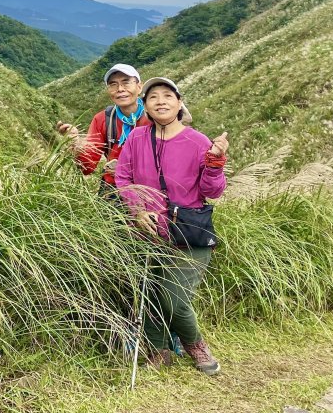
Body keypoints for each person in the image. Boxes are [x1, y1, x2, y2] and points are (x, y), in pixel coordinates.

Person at [115, 76, 228, 375]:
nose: (160, 101)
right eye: (153, 97)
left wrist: (215, 163)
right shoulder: (136, 138)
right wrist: (138, 210)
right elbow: (123, 178)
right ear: (146, 106)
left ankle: (195, 344)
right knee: (150, 293)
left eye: (167, 96)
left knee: (173, 299)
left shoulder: (198, 141)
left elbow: (213, 191)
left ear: (179, 104)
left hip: (189, 232)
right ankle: (159, 349)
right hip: (147, 231)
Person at [56, 63, 150, 193]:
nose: (120, 89)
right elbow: (87, 167)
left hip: (150, 189)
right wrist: (75, 142)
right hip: (113, 190)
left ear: (139, 87)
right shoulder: (103, 120)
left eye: (126, 82)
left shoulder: (154, 117)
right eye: (113, 84)